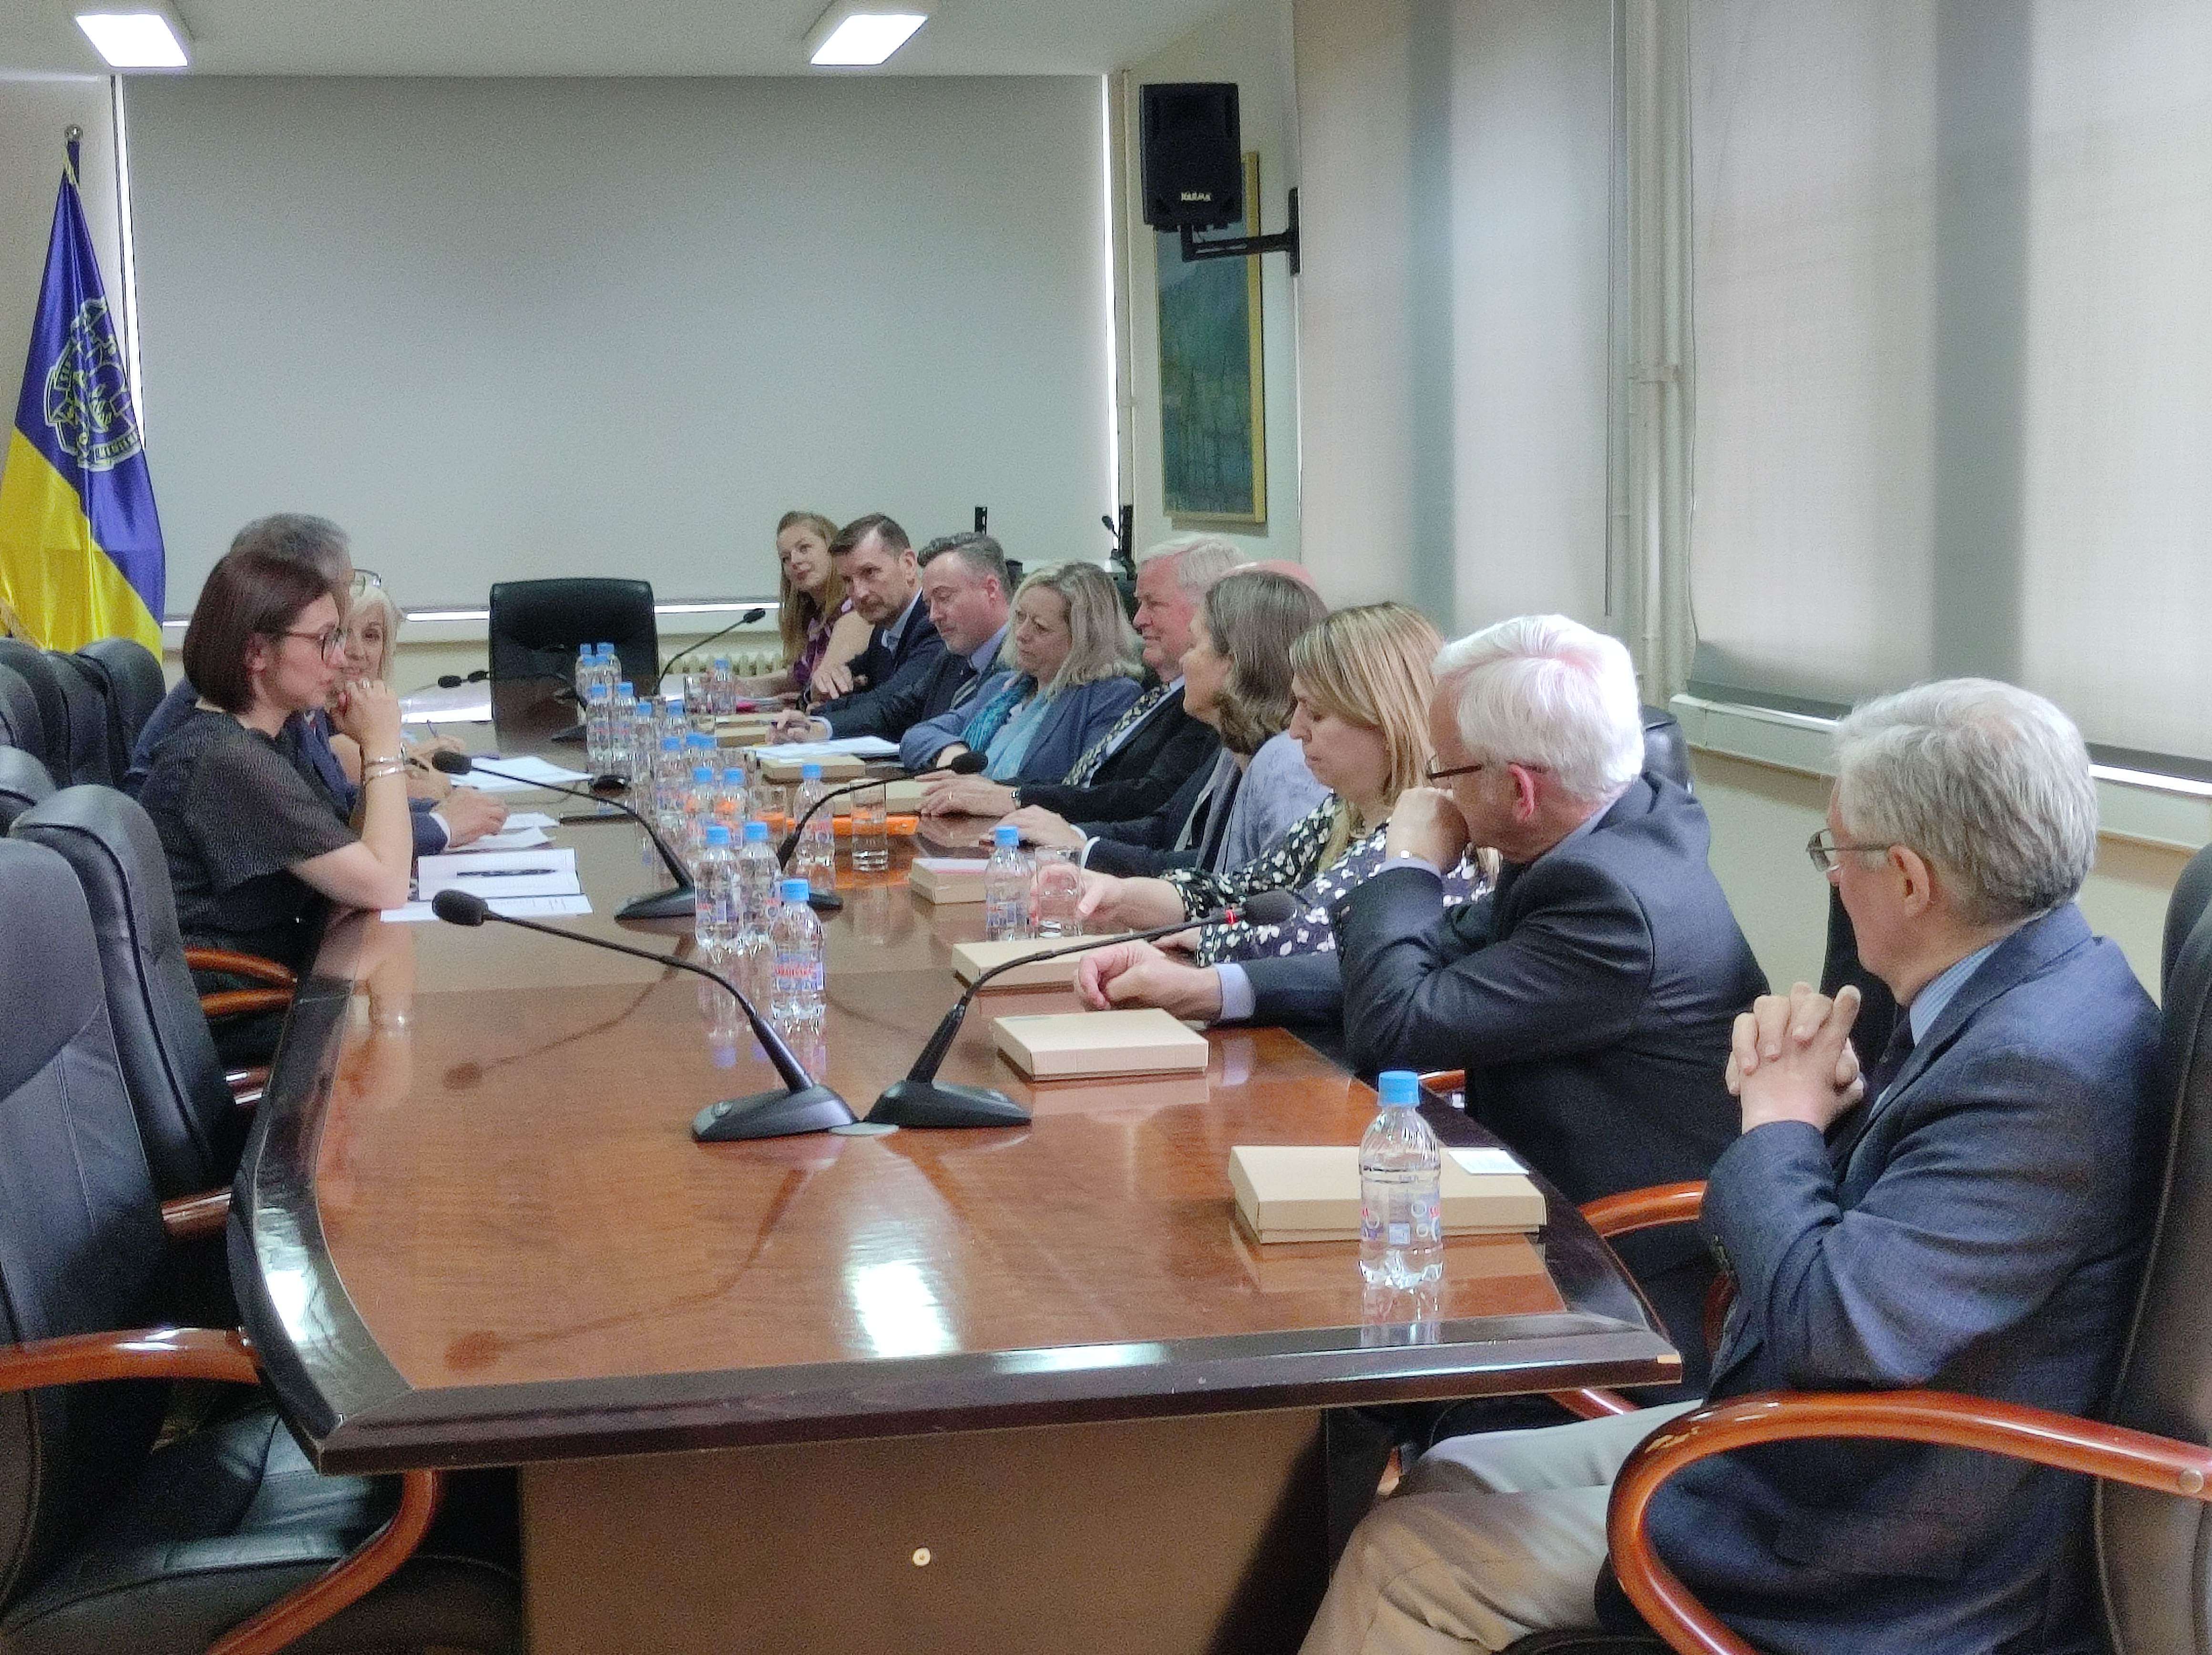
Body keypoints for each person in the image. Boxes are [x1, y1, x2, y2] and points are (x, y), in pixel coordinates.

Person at [1298, 677, 2165, 1655]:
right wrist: (1828, 1115)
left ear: (1909, 879)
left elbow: (1835, 1326)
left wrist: (1778, 1122)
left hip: (1874, 1535)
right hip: (1815, 1443)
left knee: (1403, 1561)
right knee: (1452, 1473)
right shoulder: (2029, 986)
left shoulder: (2037, 1071)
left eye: (1835, 851)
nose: (1832, 880)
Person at [1078, 614, 1766, 1385]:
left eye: (1445, 770)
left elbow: (1396, 1025)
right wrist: (1214, 988)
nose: (1429, 790)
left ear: (1520, 789)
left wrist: (1408, 865)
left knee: (1240, 1300)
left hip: (1615, 1283)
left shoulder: (1611, 903)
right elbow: (1432, 965)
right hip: (1520, 1209)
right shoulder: (1613, 823)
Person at [1074, 602, 1486, 970]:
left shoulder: (1435, 831)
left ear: (1386, 720)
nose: (1295, 730)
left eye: (1316, 714)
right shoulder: (1342, 812)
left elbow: (1313, 937)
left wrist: (1205, 943)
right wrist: (1118, 894)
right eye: (1297, 707)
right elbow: (1237, 894)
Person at [123, 515, 503, 852]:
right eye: (345, 588)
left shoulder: (288, 688)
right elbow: (337, 846)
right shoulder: (235, 718)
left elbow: (330, 808)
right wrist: (440, 825)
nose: (348, 604)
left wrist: (436, 810)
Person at [139, 541, 416, 978]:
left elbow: (350, 853)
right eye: (325, 640)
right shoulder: (228, 760)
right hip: (241, 1002)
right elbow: (385, 885)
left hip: (284, 974)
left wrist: (370, 750)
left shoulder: (272, 736)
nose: (341, 657)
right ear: (256, 653)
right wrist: (384, 745)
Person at [1012, 568, 1330, 876]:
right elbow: (1173, 831)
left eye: (1194, 646)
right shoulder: (1236, 747)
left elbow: (1252, 892)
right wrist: (1076, 839)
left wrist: (1083, 849)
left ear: (1234, 664)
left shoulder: (1286, 765)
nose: (1184, 661)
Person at [916, 534, 1241, 821]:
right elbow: (1100, 789)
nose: (1138, 620)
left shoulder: (1178, 702)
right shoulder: (1162, 693)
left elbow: (1140, 800)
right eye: (1020, 618)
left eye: (1153, 604)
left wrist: (1012, 797)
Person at [901, 562, 1143, 782]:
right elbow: (918, 735)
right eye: (1019, 617)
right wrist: (952, 751)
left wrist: (990, 793)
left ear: (1086, 638)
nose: (1021, 634)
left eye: (1040, 627)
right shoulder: (1004, 687)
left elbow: (1084, 787)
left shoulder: (1110, 697)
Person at [775, 532, 1013, 744]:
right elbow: (897, 710)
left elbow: (940, 736)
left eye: (944, 598)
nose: (933, 616)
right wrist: (819, 726)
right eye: (929, 603)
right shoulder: (953, 657)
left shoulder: (1019, 665)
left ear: (991, 590)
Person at [768, 513, 946, 742]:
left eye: (870, 573)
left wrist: (821, 721)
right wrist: (817, 690)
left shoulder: (935, 623)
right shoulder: (883, 628)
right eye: (848, 581)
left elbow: (892, 703)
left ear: (909, 565)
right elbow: (835, 686)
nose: (859, 593)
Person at [734, 510, 870, 704]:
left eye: (804, 548)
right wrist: (741, 686)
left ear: (832, 548)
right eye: (785, 558)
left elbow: (823, 688)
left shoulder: (855, 611)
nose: (794, 562)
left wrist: (800, 698)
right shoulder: (815, 616)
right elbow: (798, 679)